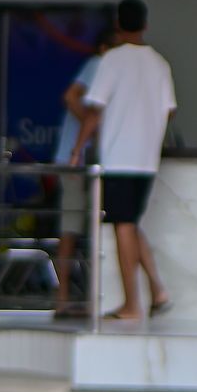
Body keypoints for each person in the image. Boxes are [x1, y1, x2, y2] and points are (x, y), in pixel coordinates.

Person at [75, 0, 175, 322]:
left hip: (118, 157)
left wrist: (78, 148)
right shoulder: (160, 63)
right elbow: (169, 110)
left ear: (118, 25)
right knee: (128, 224)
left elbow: (94, 110)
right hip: (147, 160)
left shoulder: (113, 60)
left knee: (124, 225)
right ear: (145, 24)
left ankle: (133, 304)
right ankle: (157, 291)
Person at [54, 28, 115, 315]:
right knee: (71, 227)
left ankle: (84, 297)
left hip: (88, 161)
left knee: (86, 228)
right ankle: (63, 297)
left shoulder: (108, 70)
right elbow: (70, 97)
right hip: (76, 161)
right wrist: (93, 126)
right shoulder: (98, 65)